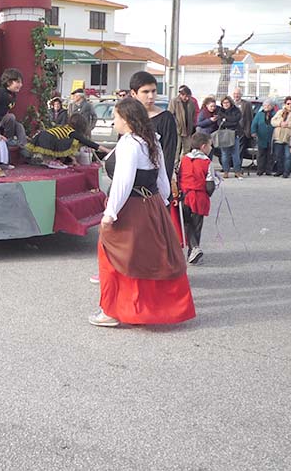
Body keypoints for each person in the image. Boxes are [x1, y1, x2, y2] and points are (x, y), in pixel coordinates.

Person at [90, 97, 196, 327]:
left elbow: (123, 181)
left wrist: (110, 213)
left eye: (116, 117)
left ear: (127, 119)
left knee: (112, 257)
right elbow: (162, 178)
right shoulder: (151, 140)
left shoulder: (129, 143)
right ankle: (144, 309)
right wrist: (162, 202)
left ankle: (111, 311)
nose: (114, 121)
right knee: (148, 258)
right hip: (153, 204)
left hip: (131, 208)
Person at [130, 71, 177, 183]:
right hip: (131, 179)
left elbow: (168, 155)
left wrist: (163, 184)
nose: (151, 96)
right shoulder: (128, 118)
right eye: (145, 92)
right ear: (133, 93)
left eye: (154, 91)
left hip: (155, 182)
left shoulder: (165, 118)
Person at [178, 132, 217, 265]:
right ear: (203, 146)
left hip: (185, 195)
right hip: (199, 197)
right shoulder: (207, 162)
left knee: (186, 223)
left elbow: (179, 176)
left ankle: (193, 249)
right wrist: (209, 192)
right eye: (210, 145)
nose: (211, 148)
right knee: (196, 225)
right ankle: (194, 250)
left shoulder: (184, 159)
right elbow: (210, 185)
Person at [25, 114, 110, 168]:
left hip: (43, 135)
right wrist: (106, 150)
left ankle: (44, 159)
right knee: (74, 142)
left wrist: (74, 160)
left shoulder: (65, 127)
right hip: (49, 138)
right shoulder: (72, 132)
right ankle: (49, 160)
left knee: (66, 143)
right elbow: (87, 142)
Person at [270, 96, 291, 178]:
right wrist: (280, 123)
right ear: (285, 104)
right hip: (278, 137)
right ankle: (279, 170)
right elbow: (272, 121)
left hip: (290, 139)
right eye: (288, 104)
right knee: (278, 156)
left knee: (288, 156)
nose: (290, 105)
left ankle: (286, 172)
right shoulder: (280, 112)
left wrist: (288, 124)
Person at [217, 96, 242, 179]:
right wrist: (229, 121)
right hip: (224, 135)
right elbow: (220, 123)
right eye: (224, 103)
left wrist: (226, 119)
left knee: (236, 154)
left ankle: (237, 171)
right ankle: (226, 171)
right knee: (225, 154)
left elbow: (236, 120)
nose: (226, 104)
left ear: (230, 103)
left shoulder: (236, 110)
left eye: (227, 102)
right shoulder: (220, 111)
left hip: (235, 134)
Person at [250, 99, 277, 176]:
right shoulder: (259, 114)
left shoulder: (275, 114)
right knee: (261, 154)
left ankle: (268, 170)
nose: (266, 107)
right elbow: (254, 123)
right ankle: (260, 170)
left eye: (268, 105)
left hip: (272, 137)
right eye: (265, 105)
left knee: (270, 154)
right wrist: (253, 132)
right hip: (261, 137)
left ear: (272, 106)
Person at [173, 85, 197, 161]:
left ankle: (183, 164)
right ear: (181, 95)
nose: (186, 98)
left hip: (188, 129)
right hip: (177, 130)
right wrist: (176, 124)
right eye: (185, 96)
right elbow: (170, 114)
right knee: (176, 149)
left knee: (187, 149)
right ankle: (175, 164)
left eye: (188, 96)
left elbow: (193, 114)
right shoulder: (174, 101)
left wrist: (192, 125)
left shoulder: (191, 103)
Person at [232, 88, 253, 168]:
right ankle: (230, 166)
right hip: (231, 131)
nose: (236, 95)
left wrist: (248, 131)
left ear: (241, 95)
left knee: (239, 150)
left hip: (242, 131)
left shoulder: (246, 104)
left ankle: (237, 167)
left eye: (238, 94)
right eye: (235, 94)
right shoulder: (230, 103)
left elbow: (249, 118)